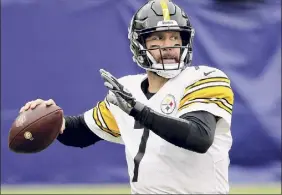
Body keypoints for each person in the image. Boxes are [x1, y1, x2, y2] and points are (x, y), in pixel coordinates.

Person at [19, 0, 234, 194]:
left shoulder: (204, 79)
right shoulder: (127, 89)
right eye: (158, 38)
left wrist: (136, 110)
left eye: (175, 37)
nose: (169, 46)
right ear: (139, 44)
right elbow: (81, 133)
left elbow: (199, 138)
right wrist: (52, 119)